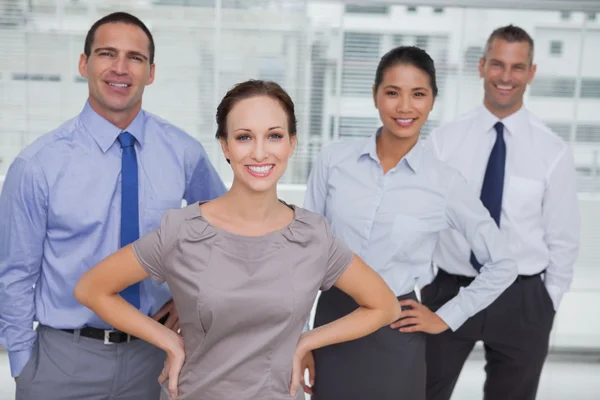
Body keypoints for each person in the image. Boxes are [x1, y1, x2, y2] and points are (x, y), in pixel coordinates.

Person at [74, 79, 403, 400]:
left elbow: (384, 306)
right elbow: (91, 288)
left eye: (273, 136)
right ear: (225, 146)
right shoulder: (183, 229)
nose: (260, 152)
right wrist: (169, 341)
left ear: (291, 143)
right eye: (245, 137)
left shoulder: (313, 236)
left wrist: (306, 342)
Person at [0, 11, 226, 400]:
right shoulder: (38, 164)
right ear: (84, 63)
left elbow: (229, 228)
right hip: (63, 360)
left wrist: (189, 298)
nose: (120, 68)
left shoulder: (183, 152)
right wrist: (24, 365)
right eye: (107, 54)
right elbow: (14, 274)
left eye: (135, 58)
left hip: (156, 357)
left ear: (151, 72)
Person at [300, 46, 519, 400]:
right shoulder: (333, 161)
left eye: (418, 94)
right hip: (332, 323)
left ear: (432, 101)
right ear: (375, 96)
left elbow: (504, 262)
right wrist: (302, 337)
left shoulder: (444, 182)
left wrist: (447, 316)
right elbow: (305, 256)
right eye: (392, 92)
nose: (405, 107)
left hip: (396, 329)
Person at [423, 25, 580, 400]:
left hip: (522, 299)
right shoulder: (444, 141)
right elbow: (423, 220)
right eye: (497, 64)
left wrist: (547, 303)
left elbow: (563, 237)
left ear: (531, 72)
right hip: (452, 288)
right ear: (481, 67)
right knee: (422, 391)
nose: (506, 77)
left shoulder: (552, 150)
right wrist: (428, 284)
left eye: (517, 66)